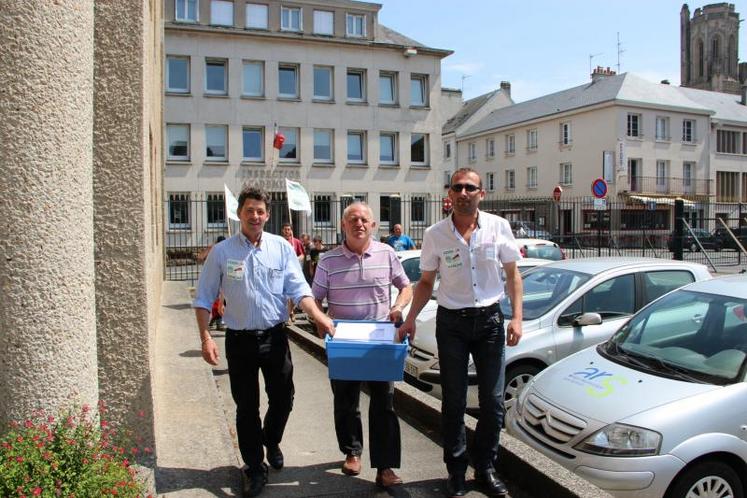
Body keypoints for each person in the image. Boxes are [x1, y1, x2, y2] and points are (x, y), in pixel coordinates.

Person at [193, 186, 335, 498]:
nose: (255, 216)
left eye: (260, 211)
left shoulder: (282, 248)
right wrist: (205, 338)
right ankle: (255, 466)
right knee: (246, 407)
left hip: (275, 336)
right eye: (249, 211)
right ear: (239, 214)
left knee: (284, 398)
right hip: (239, 341)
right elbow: (203, 299)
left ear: (267, 215)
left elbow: (300, 290)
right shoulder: (223, 252)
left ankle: (271, 439)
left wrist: (319, 317)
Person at [398, 168, 523, 498]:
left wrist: (517, 319)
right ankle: (455, 471)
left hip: (491, 324)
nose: (464, 192)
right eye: (458, 187)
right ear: (449, 194)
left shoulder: (498, 227)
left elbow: (512, 276)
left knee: (493, 402)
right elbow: (425, 283)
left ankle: (485, 469)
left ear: (482, 193)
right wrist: (410, 320)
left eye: (471, 187)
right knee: (453, 401)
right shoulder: (435, 234)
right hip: (451, 323)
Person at [312, 202, 413, 490]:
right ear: (344, 225)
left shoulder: (387, 253)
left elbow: (406, 287)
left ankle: (385, 467)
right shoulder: (328, 261)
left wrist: (397, 307)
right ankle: (352, 451)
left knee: (384, 404)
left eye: (364, 219)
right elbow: (314, 297)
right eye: (353, 219)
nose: (359, 223)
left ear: (372, 225)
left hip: (379, 342)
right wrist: (320, 320)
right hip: (344, 342)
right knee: (346, 402)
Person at [281, 223, 305, 322]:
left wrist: (296, 259)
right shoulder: (279, 242)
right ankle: (288, 313)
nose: (287, 231)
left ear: (291, 230)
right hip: (282, 271)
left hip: (294, 271)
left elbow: (302, 255)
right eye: (285, 229)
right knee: (285, 294)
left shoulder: (296, 242)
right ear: (282, 231)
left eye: (288, 229)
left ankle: (290, 312)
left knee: (292, 293)